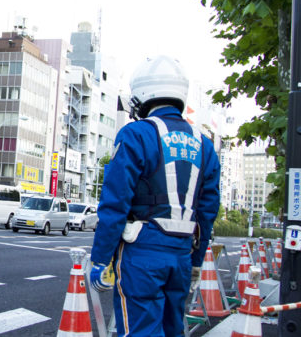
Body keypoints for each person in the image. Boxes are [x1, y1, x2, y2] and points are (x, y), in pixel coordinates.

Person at [89, 55, 220, 336]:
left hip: (142, 249)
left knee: (139, 330)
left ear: (142, 95)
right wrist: (197, 261)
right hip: (182, 254)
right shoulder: (205, 145)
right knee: (173, 329)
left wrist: (101, 259)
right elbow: (208, 211)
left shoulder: (136, 134)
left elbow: (115, 203)